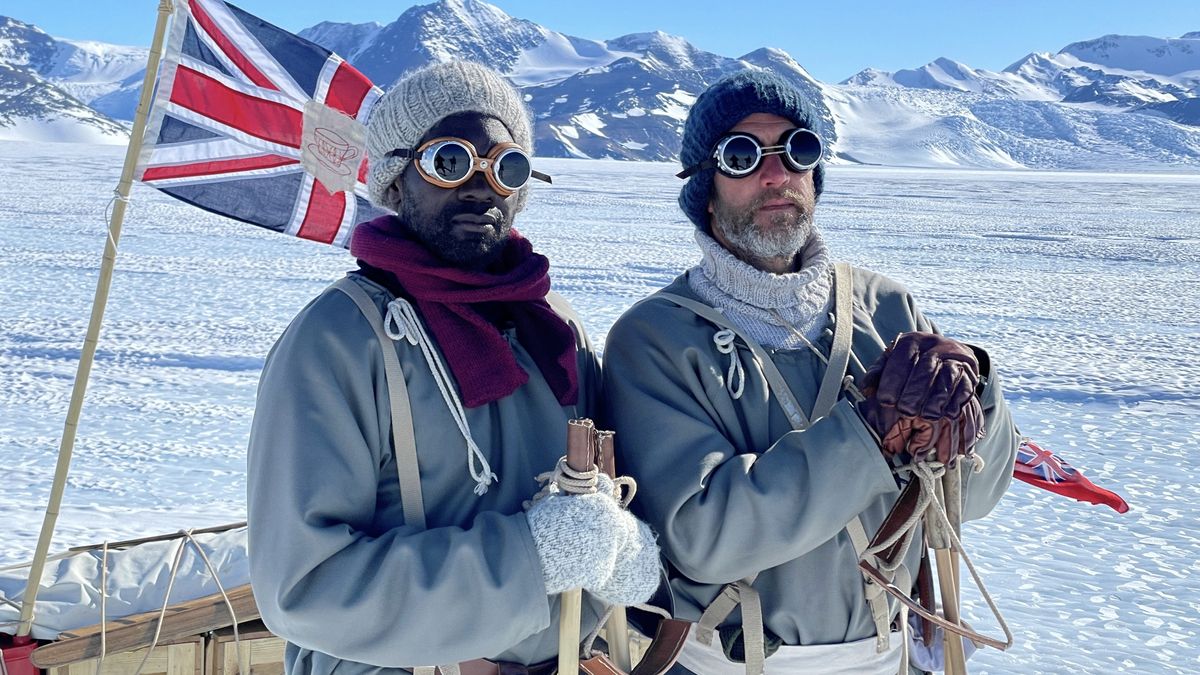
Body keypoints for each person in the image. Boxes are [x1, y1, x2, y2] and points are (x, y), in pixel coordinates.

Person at [601, 69, 1020, 674]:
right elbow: (705, 537)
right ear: (706, 187)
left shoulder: (887, 308)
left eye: (798, 149)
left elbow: (967, 501)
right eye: (742, 155)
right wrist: (867, 436)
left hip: (884, 657)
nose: (776, 175)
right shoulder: (657, 339)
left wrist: (975, 391)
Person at [247, 61, 660, 675]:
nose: (480, 186)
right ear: (396, 177)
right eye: (449, 162)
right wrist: (529, 557)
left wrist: (625, 550)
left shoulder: (553, 332)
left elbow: (605, 502)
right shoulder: (340, 340)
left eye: (506, 166)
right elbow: (304, 588)